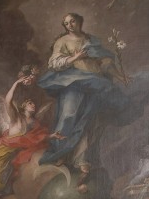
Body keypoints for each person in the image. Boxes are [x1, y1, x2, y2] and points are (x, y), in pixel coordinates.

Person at [37, 12, 128, 179]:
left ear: (79, 22)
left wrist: (120, 76)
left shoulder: (92, 41)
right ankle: (60, 153)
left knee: (87, 120)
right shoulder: (62, 41)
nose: (70, 25)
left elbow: (105, 62)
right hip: (74, 83)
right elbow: (54, 64)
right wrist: (75, 57)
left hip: (95, 84)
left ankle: (80, 158)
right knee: (69, 116)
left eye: (72, 21)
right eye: (66, 23)